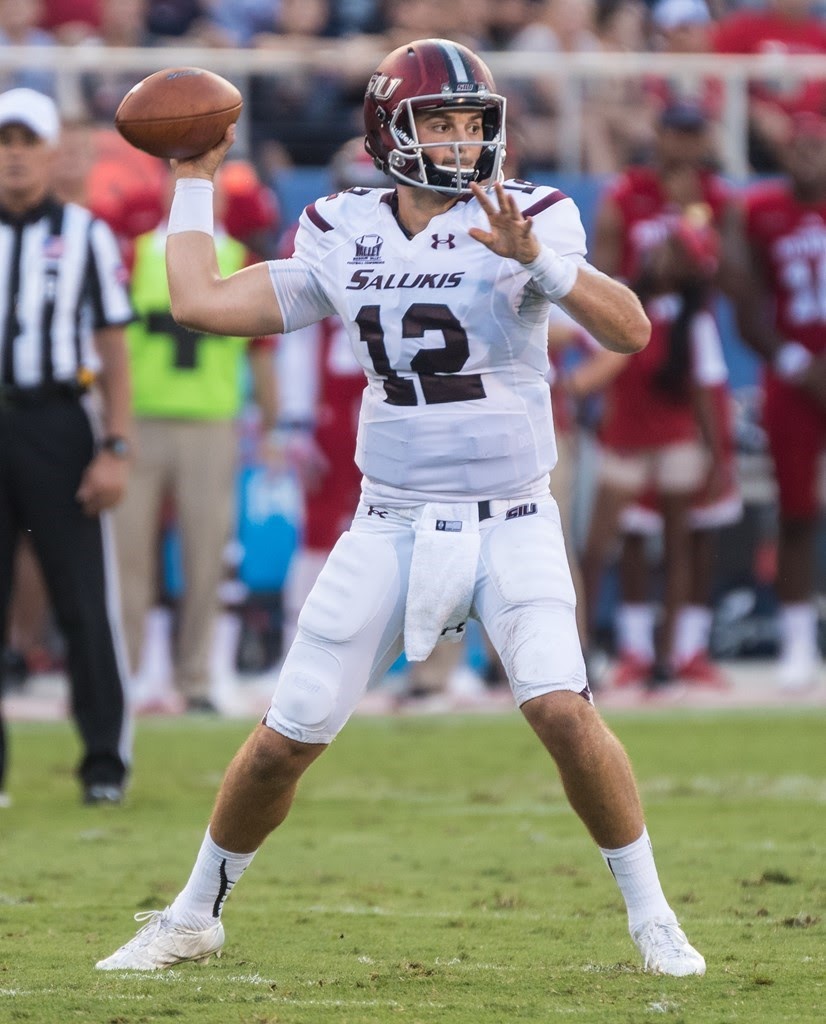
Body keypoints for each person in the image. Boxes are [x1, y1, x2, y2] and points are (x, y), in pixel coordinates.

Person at [96, 38, 705, 977]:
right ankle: (193, 912)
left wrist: (537, 259)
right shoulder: (341, 227)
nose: (462, 142)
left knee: (563, 711)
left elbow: (629, 328)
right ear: (391, 129)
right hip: (391, 521)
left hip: (512, 516)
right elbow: (201, 303)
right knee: (281, 743)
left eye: (475, 124)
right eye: (440, 122)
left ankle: (653, 915)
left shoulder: (534, 212)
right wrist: (192, 179)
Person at [0, 87, 133, 806]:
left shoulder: (86, 233)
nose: (15, 155)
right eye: (4, 141)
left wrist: (115, 444)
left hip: (55, 421)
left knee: (82, 598)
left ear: (53, 154)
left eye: (28, 142)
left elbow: (114, 348)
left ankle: (104, 763)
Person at [113, 165, 278, 714]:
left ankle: (196, 676)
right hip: (140, 420)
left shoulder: (238, 261)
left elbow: (261, 353)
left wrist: (272, 424)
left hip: (211, 421)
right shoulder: (133, 253)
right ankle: (127, 673)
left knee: (206, 555)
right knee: (128, 555)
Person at [582, 101, 734, 686]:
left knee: (687, 524)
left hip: (685, 363)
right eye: (676, 132)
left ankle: (676, 651)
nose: (685, 144)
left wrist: (693, 261)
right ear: (661, 133)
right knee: (618, 534)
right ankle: (624, 649)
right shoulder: (626, 194)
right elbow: (604, 278)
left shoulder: (717, 199)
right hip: (632, 357)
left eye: (696, 134)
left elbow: (723, 274)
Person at [724, 110, 826, 691]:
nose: (807, 155)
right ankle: (796, 642)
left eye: (818, 144)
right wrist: (792, 361)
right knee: (794, 510)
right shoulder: (761, 210)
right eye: (799, 146)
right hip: (792, 372)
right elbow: (744, 297)